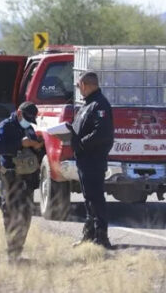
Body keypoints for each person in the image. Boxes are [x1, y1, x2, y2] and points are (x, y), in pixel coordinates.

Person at [0, 101, 44, 263]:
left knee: (26, 214)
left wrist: (37, 146)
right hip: (10, 176)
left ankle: (18, 251)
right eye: (27, 118)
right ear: (19, 113)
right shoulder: (5, 126)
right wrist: (20, 144)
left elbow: (34, 144)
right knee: (11, 213)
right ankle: (12, 254)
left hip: (27, 178)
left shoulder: (28, 127)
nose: (28, 122)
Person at [69, 72, 114, 249]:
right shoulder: (87, 105)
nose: (78, 89)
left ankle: (102, 237)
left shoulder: (99, 104)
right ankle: (89, 235)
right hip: (83, 159)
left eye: (79, 85)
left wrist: (81, 144)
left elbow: (102, 133)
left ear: (86, 85)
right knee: (88, 198)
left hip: (93, 159)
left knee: (95, 198)